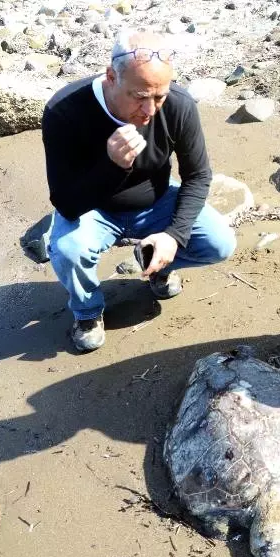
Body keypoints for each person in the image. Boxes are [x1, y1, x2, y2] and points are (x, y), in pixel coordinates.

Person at [42, 29, 236, 352]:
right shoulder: (64, 111)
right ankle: (88, 311)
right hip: (94, 209)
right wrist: (113, 165)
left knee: (220, 242)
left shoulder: (178, 105)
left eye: (159, 96)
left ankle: (158, 262)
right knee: (67, 249)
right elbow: (65, 202)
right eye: (139, 96)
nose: (150, 110)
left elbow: (199, 176)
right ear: (110, 77)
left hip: (156, 202)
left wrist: (174, 236)